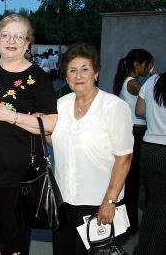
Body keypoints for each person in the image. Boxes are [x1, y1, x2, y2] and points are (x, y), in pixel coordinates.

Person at [11, 43, 133, 255]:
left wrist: (110, 201)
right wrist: (39, 129)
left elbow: (124, 158)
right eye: (72, 70)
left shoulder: (114, 107)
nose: (79, 75)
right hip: (64, 200)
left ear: (96, 73)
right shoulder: (60, 105)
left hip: (98, 202)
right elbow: (56, 142)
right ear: (66, 75)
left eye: (85, 69)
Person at [0, 14, 57, 254]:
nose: (11, 40)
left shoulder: (37, 77)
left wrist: (13, 116)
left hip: (18, 174)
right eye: (5, 35)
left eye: (19, 36)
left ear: (28, 43)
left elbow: (50, 123)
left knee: (13, 236)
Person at [113, 48, 153, 235]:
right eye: (147, 64)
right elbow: (153, 90)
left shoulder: (128, 82)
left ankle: (127, 224)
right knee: (132, 183)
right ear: (137, 65)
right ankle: (129, 225)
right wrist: (155, 74)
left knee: (130, 182)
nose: (149, 68)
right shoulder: (133, 84)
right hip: (135, 135)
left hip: (132, 134)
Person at [134, 71, 166, 255]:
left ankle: (142, 249)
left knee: (154, 203)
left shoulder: (153, 80)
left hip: (149, 149)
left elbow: (139, 110)